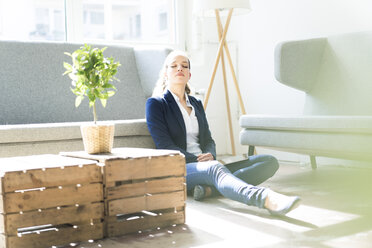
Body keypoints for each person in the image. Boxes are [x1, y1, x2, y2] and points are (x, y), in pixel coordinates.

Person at [145, 50, 300, 216]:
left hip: (208, 163)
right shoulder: (156, 104)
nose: (179, 69)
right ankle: (265, 198)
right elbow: (165, 146)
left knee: (268, 161)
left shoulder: (196, 103)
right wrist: (199, 160)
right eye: (174, 66)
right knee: (214, 169)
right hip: (180, 168)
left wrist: (210, 154)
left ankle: (209, 190)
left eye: (184, 66)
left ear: (189, 74)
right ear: (166, 74)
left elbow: (208, 139)